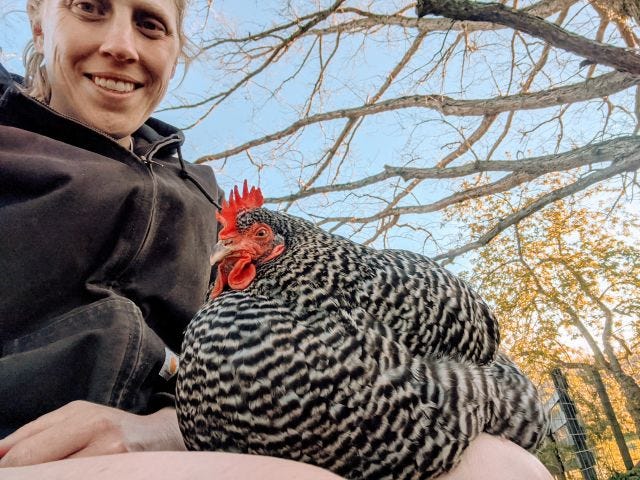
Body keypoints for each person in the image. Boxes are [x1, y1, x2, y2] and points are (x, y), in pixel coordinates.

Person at [0, 0, 553, 478]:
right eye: (90, 7)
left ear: (173, 49)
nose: (121, 45)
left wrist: (167, 427)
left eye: (150, 24)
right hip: (25, 446)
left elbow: (229, 351)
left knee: (505, 469)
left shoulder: (201, 197)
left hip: (199, 431)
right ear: (40, 20)